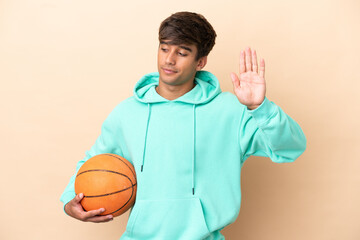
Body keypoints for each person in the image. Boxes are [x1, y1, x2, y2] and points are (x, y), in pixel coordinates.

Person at [60, 11, 306, 240]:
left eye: (182, 52)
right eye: (164, 48)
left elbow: (290, 147)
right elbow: (93, 161)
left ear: (200, 62)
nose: (169, 59)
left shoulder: (229, 111)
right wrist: (72, 200)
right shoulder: (127, 112)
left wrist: (259, 108)